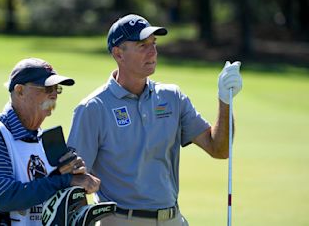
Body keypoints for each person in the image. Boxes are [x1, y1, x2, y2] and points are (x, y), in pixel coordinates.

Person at [67, 14, 242, 226]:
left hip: (172, 219)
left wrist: (225, 101)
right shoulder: (93, 108)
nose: (153, 52)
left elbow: (219, 149)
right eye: (142, 45)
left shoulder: (172, 97)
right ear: (118, 53)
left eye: (154, 44)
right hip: (119, 220)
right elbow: (74, 180)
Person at [0, 57, 101, 225]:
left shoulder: (42, 138)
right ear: (20, 91)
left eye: (56, 89)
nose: (53, 94)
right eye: (46, 88)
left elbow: (41, 191)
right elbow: (5, 198)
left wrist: (71, 179)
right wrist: (64, 180)